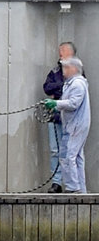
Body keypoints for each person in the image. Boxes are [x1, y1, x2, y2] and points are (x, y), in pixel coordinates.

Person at [45, 56, 91, 193]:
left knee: (67, 155)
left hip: (74, 126)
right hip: (75, 125)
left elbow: (73, 103)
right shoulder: (73, 83)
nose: (63, 70)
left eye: (66, 67)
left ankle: (72, 188)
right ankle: (81, 189)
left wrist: (55, 104)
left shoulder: (77, 84)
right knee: (77, 157)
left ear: (74, 69)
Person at [43, 42, 78, 193]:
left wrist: (57, 93)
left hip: (70, 119)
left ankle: (72, 184)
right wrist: (60, 90)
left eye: (62, 51)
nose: (60, 54)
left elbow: (72, 92)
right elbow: (47, 87)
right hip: (55, 117)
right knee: (54, 150)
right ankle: (56, 183)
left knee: (70, 152)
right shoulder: (55, 70)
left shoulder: (77, 71)